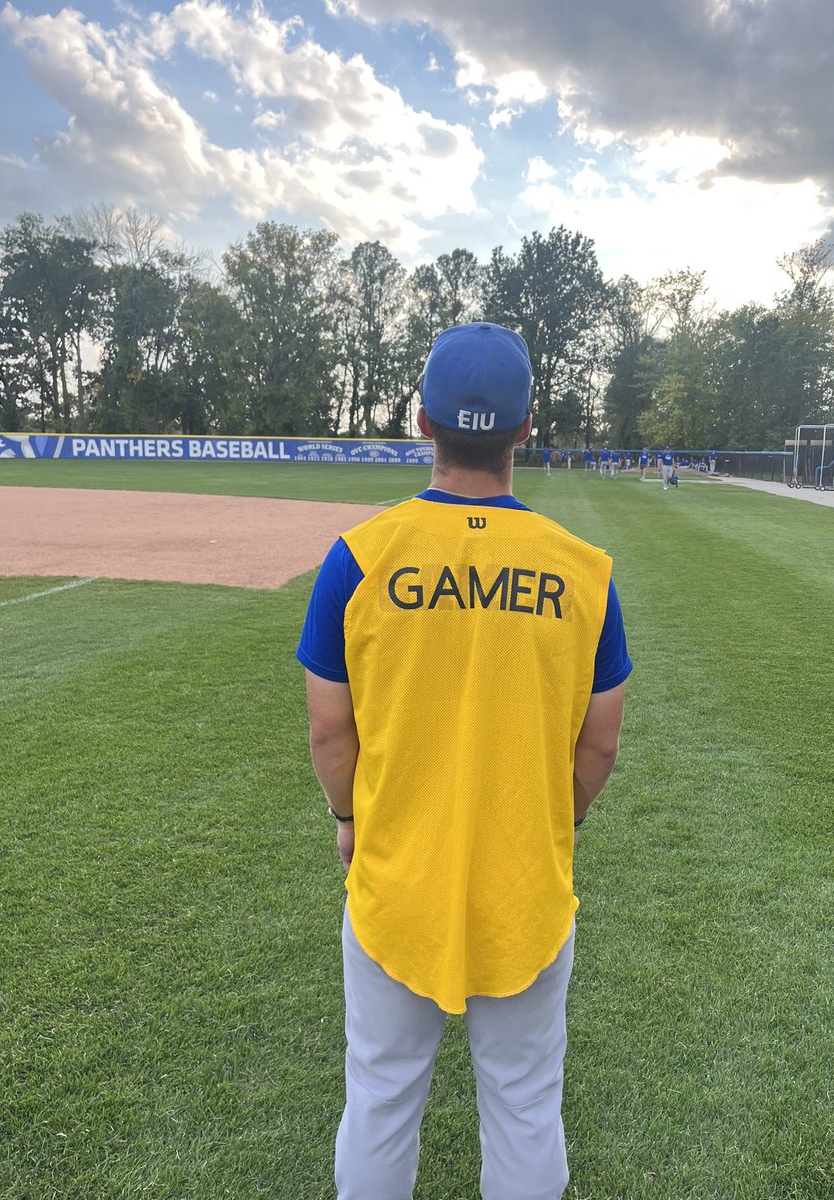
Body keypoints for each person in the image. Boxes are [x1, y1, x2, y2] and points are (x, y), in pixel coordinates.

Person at [297, 321, 632, 1200]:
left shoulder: (360, 559)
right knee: (525, 1104)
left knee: (380, 1095)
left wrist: (347, 821)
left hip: (396, 876)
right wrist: (557, 822)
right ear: (526, 430)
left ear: (421, 421)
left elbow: (330, 731)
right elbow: (601, 740)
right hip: (524, 880)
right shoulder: (584, 570)